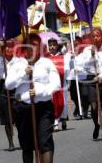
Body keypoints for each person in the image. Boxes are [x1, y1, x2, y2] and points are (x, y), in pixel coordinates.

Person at [5, 33, 61, 163]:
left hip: (43, 108)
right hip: (23, 108)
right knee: (27, 146)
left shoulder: (47, 63)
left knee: (44, 142)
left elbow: (56, 84)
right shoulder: (18, 64)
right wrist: (24, 74)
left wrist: (40, 92)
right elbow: (8, 85)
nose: (31, 48)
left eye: (34, 45)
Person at [78, 27, 102, 141]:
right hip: (91, 78)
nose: (96, 38)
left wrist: (101, 76)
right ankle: (96, 125)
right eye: (93, 36)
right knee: (94, 107)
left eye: (98, 35)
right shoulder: (87, 50)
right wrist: (91, 57)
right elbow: (83, 64)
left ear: (101, 36)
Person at [0, 39, 18, 151]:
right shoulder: (0, 59)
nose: (8, 49)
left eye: (10, 46)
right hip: (3, 89)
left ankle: (23, 139)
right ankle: (10, 142)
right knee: (7, 119)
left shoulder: (17, 60)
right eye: (6, 47)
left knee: (19, 117)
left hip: (16, 89)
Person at [46, 38, 70, 131]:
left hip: (62, 83)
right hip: (51, 84)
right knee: (53, 103)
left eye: (54, 45)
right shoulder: (46, 58)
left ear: (57, 46)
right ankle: (55, 122)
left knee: (63, 103)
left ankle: (63, 119)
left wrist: (67, 79)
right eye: (50, 45)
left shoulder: (63, 57)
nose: (52, 47)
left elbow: (67, 69)